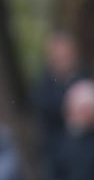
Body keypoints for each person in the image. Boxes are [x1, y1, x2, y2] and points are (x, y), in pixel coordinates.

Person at [32, 31, 86, 168]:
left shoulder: (84, 80)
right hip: (55, 152)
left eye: (66, 55)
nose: (62, 59)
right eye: (58, 56)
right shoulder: (43, 86)